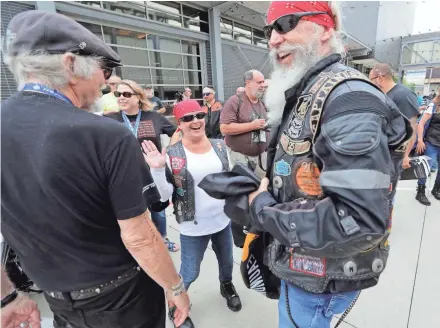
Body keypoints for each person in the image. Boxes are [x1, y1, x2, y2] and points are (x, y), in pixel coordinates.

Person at [1, 11, 190, 328]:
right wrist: (175, 287)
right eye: (103, 69)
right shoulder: (105, 135)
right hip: (123, 299)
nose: (106, 81)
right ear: (70, 65)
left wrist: (6, 297)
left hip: (56, 298)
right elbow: (139, 238)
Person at [248, 2, 410, 327]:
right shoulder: (310, 88)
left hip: (319, 280)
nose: (273, 39)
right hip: (304, 265)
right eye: (269, 30)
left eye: (285, 23)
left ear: (325, 29)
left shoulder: (347, 99)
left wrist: (262, 208)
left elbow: (359, 221)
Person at [143, 100, 242, 317]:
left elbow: (230, 179)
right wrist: (158, 170)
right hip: (192, 225)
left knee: (227, 263)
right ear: (179, 123)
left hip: (222, 220)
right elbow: (165, 196)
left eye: (199, 115)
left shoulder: (220, 146)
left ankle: (227, 286)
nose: (195, 121)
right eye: (188, 118)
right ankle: (177, 303)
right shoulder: (172, 153)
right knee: (189, 272)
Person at [106, 80, 181, 252]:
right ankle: (135, 245)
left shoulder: (154, 117)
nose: (121, 98)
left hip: (152, 174)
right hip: (124, 176)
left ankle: (162, 239)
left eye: (126, 94)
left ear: (138, 97)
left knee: (158, 212)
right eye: (119, 94)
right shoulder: (111, 119)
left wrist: (169, 151)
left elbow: (177, 131)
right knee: (130, 214)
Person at [369, 63, 419, 172]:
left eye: (371, 80)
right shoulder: (382, 94)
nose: (370, 83)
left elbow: (412, 128)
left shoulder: (404, 95)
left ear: (380, 78)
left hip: (394, 156)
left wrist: (405, 156)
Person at [220, 70, 268, 177]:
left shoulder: (262, 103)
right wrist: (252, 126)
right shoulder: (234, 101)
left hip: (259, 158)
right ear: (248, 83)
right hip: (239, 157)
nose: (263, 85)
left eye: (263, 82)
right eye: (259, 82)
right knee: (241, 188)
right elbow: (224, 128)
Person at [415, 87, 440, 205]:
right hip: (431, 143)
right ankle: (420, 192)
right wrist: (420, 140)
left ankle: (437, 189)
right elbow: (421, 124)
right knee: (424, 168)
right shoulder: (432, 106)